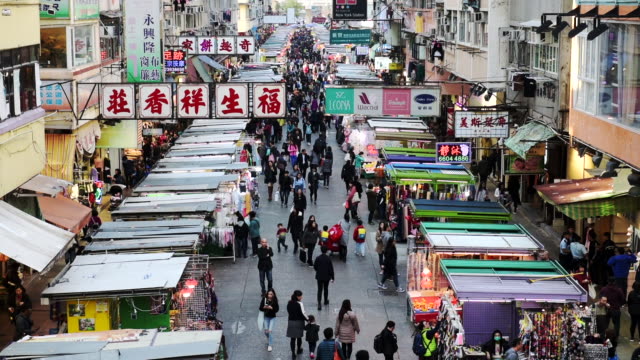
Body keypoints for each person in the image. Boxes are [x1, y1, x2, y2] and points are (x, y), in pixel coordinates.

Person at [287, 290, 308, 359]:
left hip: (291, 322)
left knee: (292, 339)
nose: (301, 297)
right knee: (299, 337)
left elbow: (289, 312)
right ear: (297, 296)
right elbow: (302, 314)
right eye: (300, 296)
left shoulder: (289, 303)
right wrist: (308, 320)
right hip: (299, 322)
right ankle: (299, 349)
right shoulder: (299, 304)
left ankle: (293, 353)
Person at [314, 246, 334, 311]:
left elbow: (315, 267)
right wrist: (332, 277)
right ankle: (325, 301)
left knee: (319, 289)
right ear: (326, 251)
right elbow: (331, 269)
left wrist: (318, 271)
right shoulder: (328, 259)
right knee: (326, 288)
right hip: (326, 276)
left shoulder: (318, 258)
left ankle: (319, 303)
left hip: (319, 276)